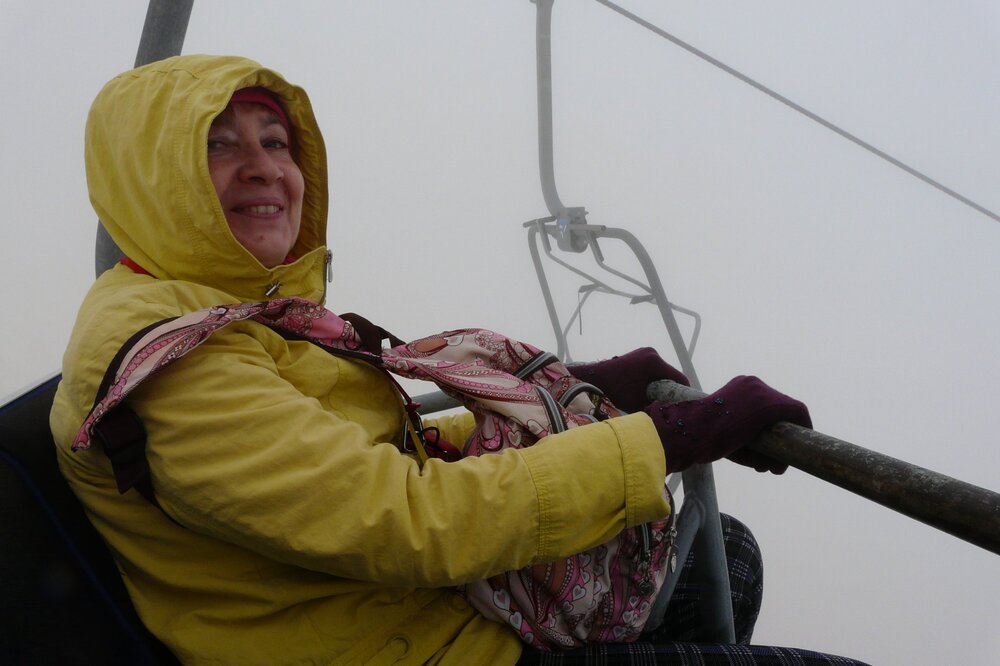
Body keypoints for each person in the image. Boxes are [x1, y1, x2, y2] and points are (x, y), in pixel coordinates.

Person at [50, 55, 861, 665]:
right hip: (407, 645)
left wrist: (575, 392)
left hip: (397, 613)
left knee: (728, 554)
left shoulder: (227, 307)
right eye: (218, 145)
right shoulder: (176, 360)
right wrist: (668, 438)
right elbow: (409, 522)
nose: (264, 167)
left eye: (275, 141)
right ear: (154, 179)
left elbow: (367, 461)